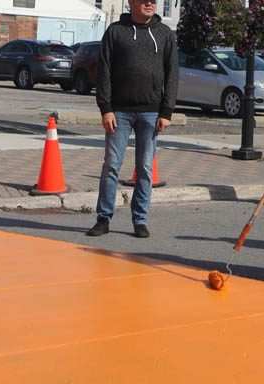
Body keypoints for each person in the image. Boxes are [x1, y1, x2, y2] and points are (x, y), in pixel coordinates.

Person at [87, 0, 178, 238]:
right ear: (131, 3)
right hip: (119, 112)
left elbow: (172, 74)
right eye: (144, 0)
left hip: (151, 112)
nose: (150, 4)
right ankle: (103, 218)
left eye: (153, 1)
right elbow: (104, 71)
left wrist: (167, 111)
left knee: (145, 169)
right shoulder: (116, 32)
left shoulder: (165, 34)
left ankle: (140, 220)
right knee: (111, 166)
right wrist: (105, 108)